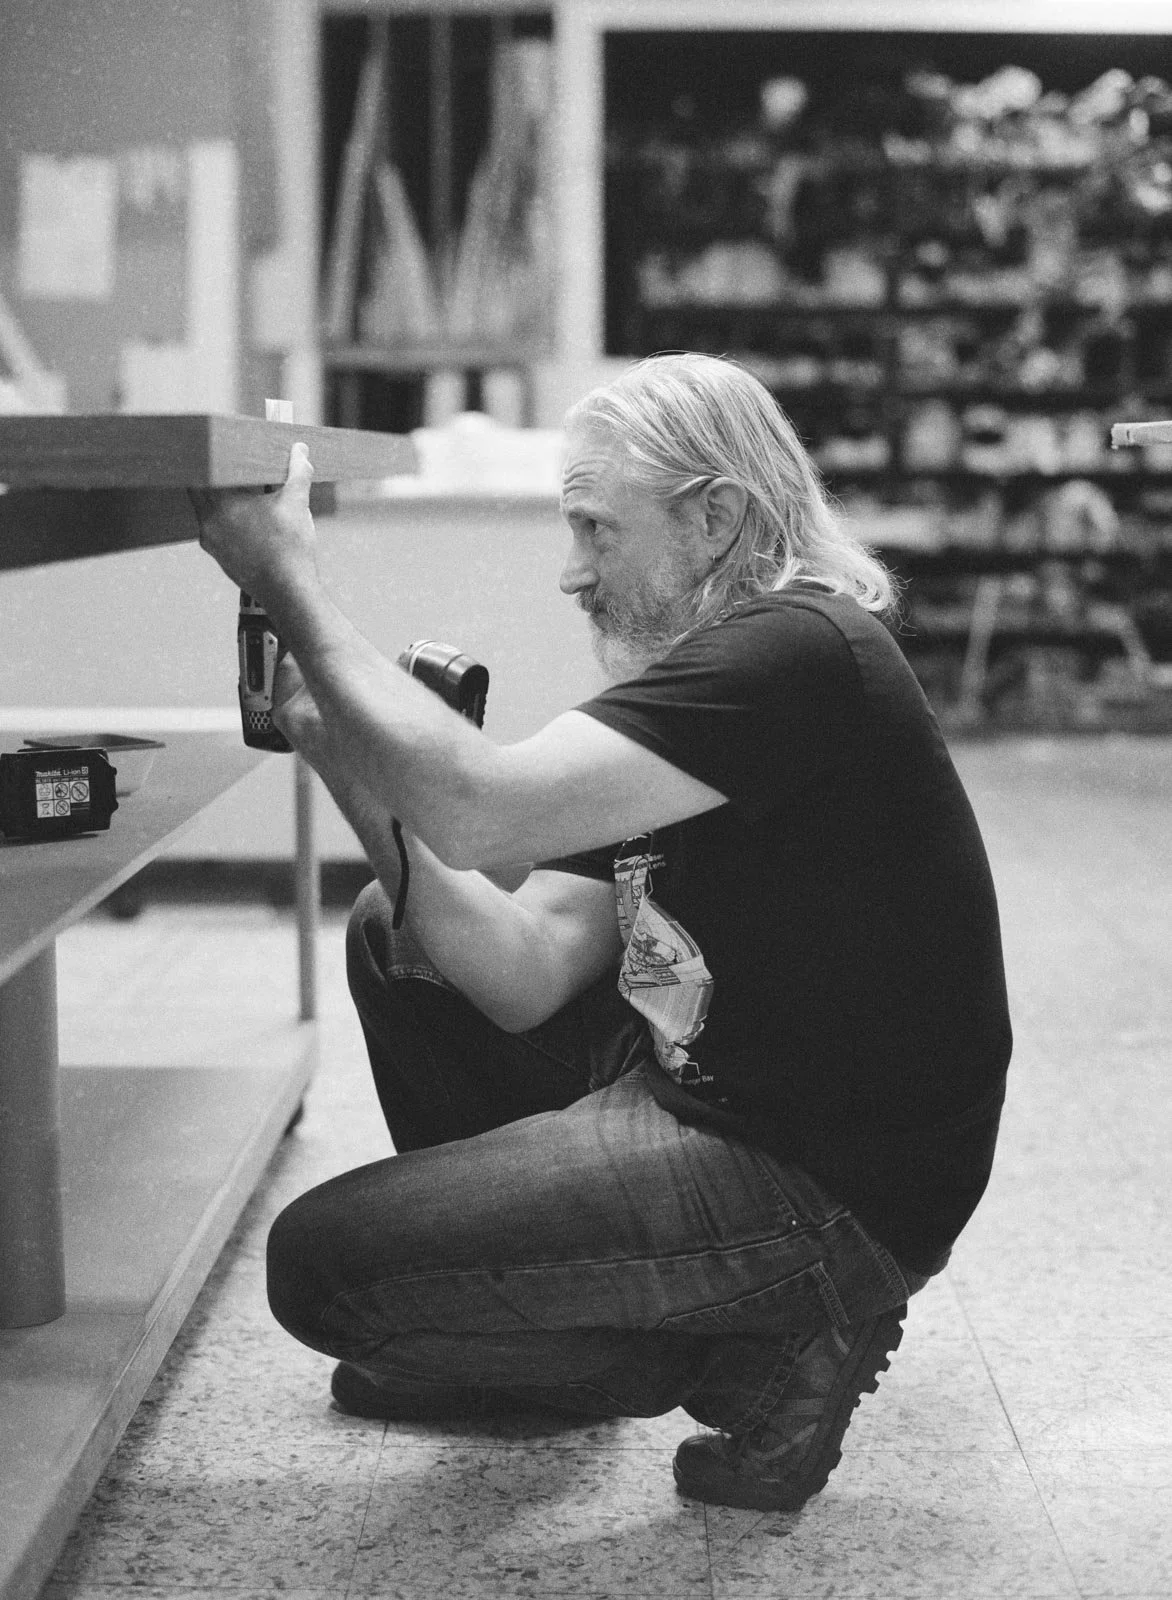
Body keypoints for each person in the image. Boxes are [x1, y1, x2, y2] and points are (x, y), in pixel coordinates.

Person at [192, 353, 1012, 1513]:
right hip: (696, 1081)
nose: (570, 575)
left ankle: (770, 1341)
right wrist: (327, 737)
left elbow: (480, 808)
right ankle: (574, 1347)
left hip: (818, 1174)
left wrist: (291, 583)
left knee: (323, 1271)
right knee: (398, 936)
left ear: (714, 517)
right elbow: (522, 972)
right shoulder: (698, 679)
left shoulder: (794, 655)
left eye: (595, 530)